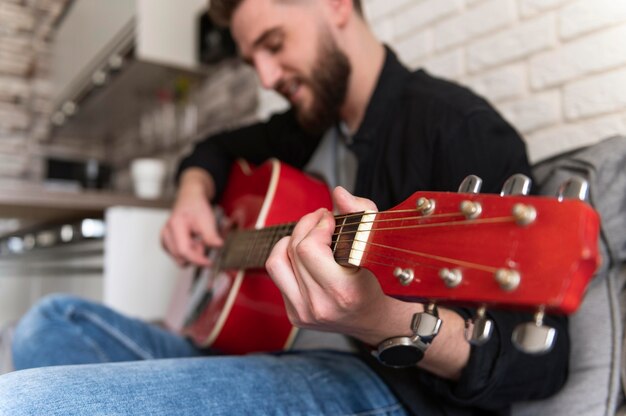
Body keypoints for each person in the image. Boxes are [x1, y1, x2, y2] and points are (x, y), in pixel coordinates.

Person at [0, 0, 569, 415]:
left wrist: (380, 320)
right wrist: (194, 194)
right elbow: (215, 150)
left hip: (382, 386)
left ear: (337, 5)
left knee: (21, 401)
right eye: (254, 61)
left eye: (274, 44)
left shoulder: (459, 128)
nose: (268, 77)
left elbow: (537, 363)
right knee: (48, 321)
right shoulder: (309, 125)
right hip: (264, 347)